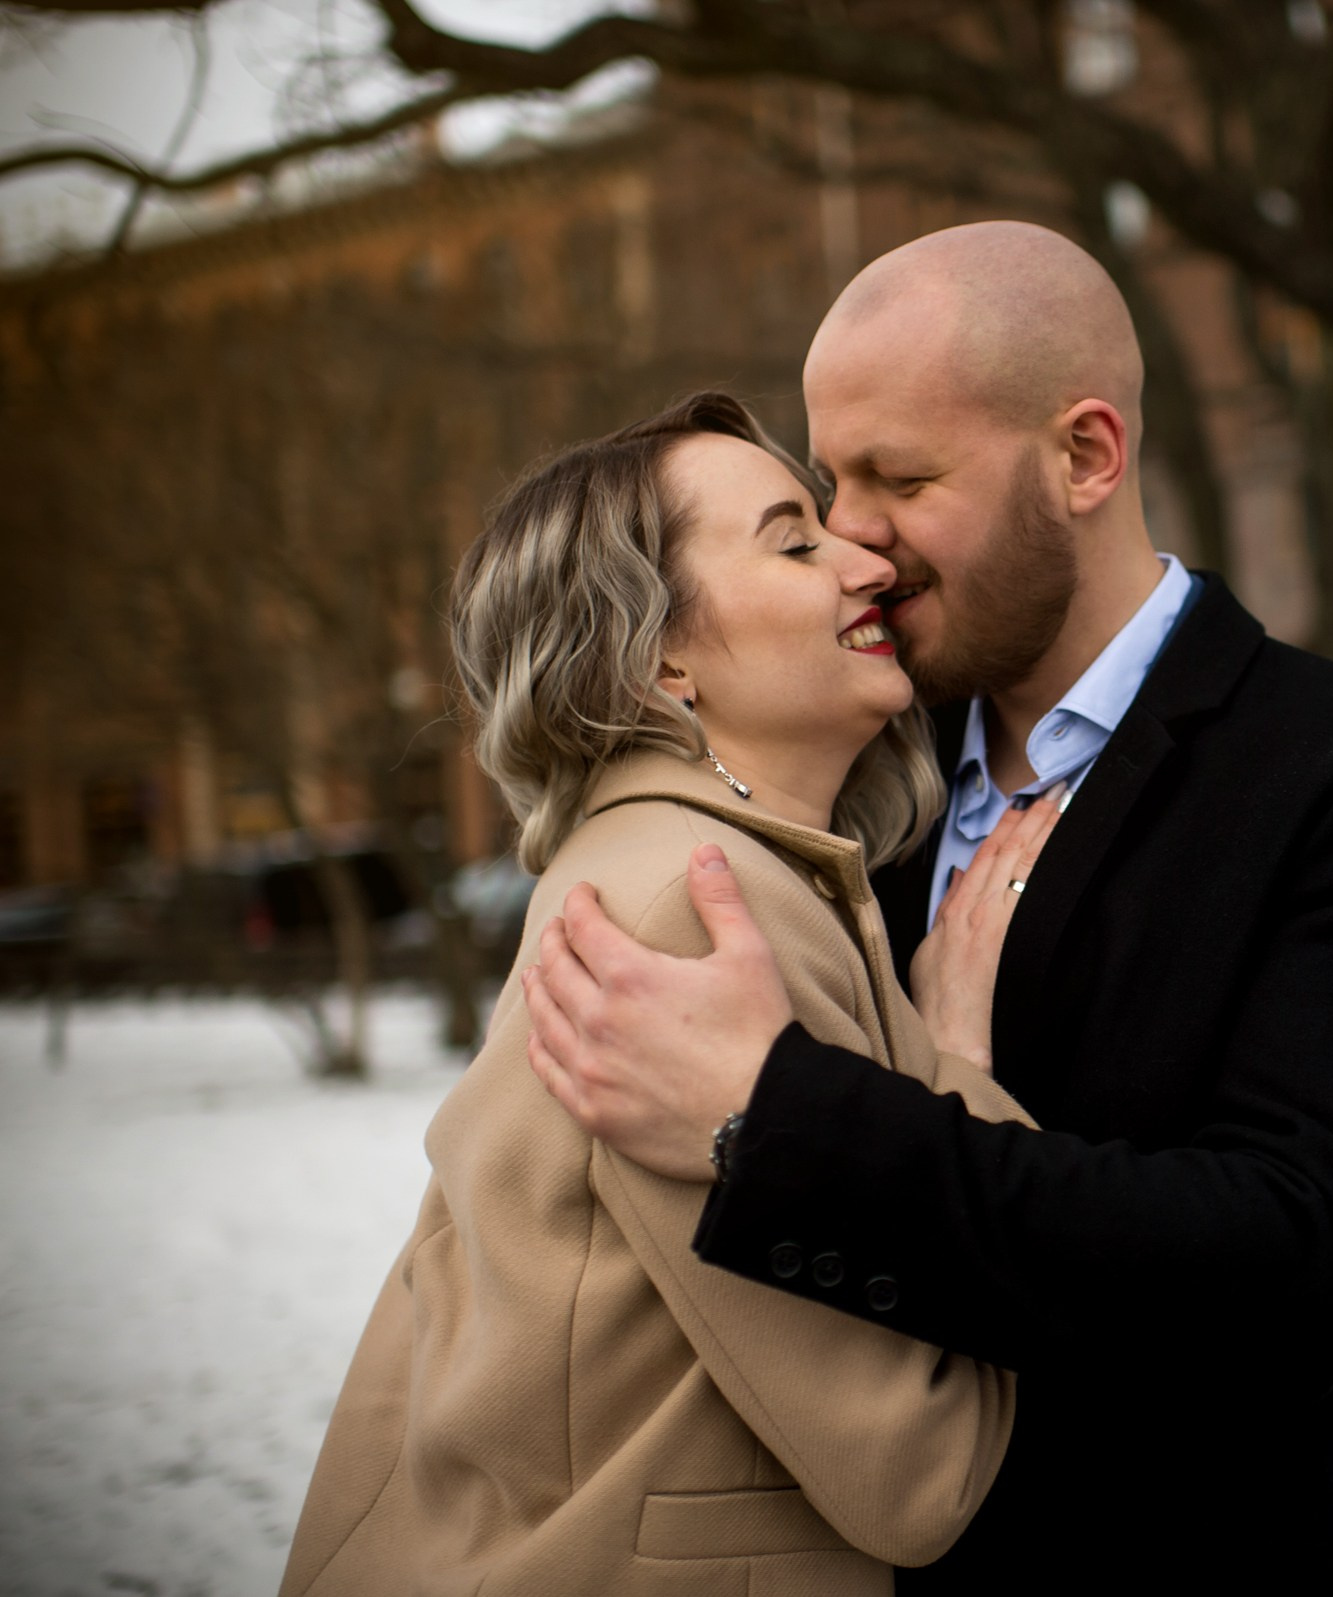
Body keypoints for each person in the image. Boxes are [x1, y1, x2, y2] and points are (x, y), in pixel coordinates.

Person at [524, 221, 1333, 1595]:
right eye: (827, 484)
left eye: (902, 479)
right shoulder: (841, 773)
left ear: (1088, 457)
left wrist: (784, 1115)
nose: (855, 540)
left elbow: (1291, 1278)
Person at [281, 392, 1061, 1597]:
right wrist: (957, 1053)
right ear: (659, 655)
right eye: (795, 540)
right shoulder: (697, 912)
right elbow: (917, 1470)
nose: (867, 558)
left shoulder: (682, 872)